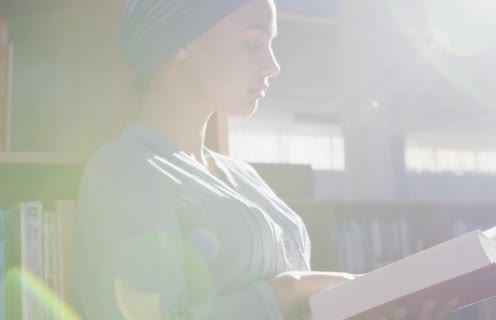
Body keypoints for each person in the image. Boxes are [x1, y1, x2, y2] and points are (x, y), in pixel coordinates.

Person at [70, 0, 455, 319]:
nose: (273, 65)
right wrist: (288, 293)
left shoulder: (242, 176)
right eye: (253, 44)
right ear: (180, 40)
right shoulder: (124, 171)